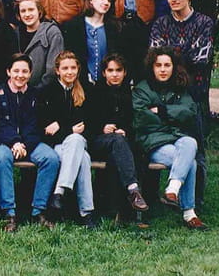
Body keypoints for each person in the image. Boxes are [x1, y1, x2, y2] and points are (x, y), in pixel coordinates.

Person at [149, 0, 214, 205]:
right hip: (165, 95)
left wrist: (170, 56)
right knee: (161, 142)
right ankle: (155, 197)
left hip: (194, 95)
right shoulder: (161, 23)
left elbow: (201, 58)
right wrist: (181, 54)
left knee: (197, 147)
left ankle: (196, 200)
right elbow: (155, 57)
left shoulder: (204, 22)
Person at [132, 47, 207, 230]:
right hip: (153, 143)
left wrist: (162, 111)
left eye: (167, 65)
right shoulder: (142, 89)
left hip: (178, 140)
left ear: (174, 67)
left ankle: (173, 187)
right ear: (152, 67)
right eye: (158, 65)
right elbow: (142, 119)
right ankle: (189, 213)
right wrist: (173, 121)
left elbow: (190, 112)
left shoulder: (180, 87)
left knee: (190, 142)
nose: (163, 69)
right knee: (190, 162)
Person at [0, 54, 60, 232]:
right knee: (2, 158)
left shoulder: (35, 95)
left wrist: (25, 145)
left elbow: (35, 125)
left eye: (24, 71)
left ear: (30, 74)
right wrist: (14, 142)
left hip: (29, 143)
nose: (20, 75)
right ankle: (9, 213)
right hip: (4, 142)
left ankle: (39, 210)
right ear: (8, 72)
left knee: (51, 158)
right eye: (16, 71)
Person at [39, 51, 97, 228]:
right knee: (83, 159)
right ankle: (87, 213)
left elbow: (88, 124)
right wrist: (69, 128)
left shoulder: (87, 90)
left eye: (73, 68)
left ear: (78, 69)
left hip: (81, 142)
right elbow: (46, 129)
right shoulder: (47, 91)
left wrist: (61, 125)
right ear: (57, 70)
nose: (69, 72)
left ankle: (59, 192)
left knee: (76, 139)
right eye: (65, 68)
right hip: (56, 146)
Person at [88, 53, 149, 215]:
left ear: (125, 72)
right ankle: (133, 190)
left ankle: (119, 209)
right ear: (104, 73)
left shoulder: (130, 94)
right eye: (110, 70)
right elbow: (87, 122)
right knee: (118, 142)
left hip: (121, 143)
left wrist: (125, 130)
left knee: (125, 150)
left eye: (118, 70)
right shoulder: (95, 92)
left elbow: (135, 122)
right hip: (98, 142)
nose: (114, 74)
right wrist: (102, 128)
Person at [62, 0, 124, 87]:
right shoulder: (74, 26)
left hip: (107, 85)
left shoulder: (115, 27)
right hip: (80, 84)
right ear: (91, 0)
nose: (106, 3)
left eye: (109, 0)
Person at [13, 0, 63, 90]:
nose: (27, 14)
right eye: (23, 11)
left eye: (31, 10)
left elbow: (52, 70)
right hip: (18, 90)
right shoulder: (15, 34)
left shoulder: (52, 33)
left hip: (43, 91)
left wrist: (37, 90)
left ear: (39, 11)